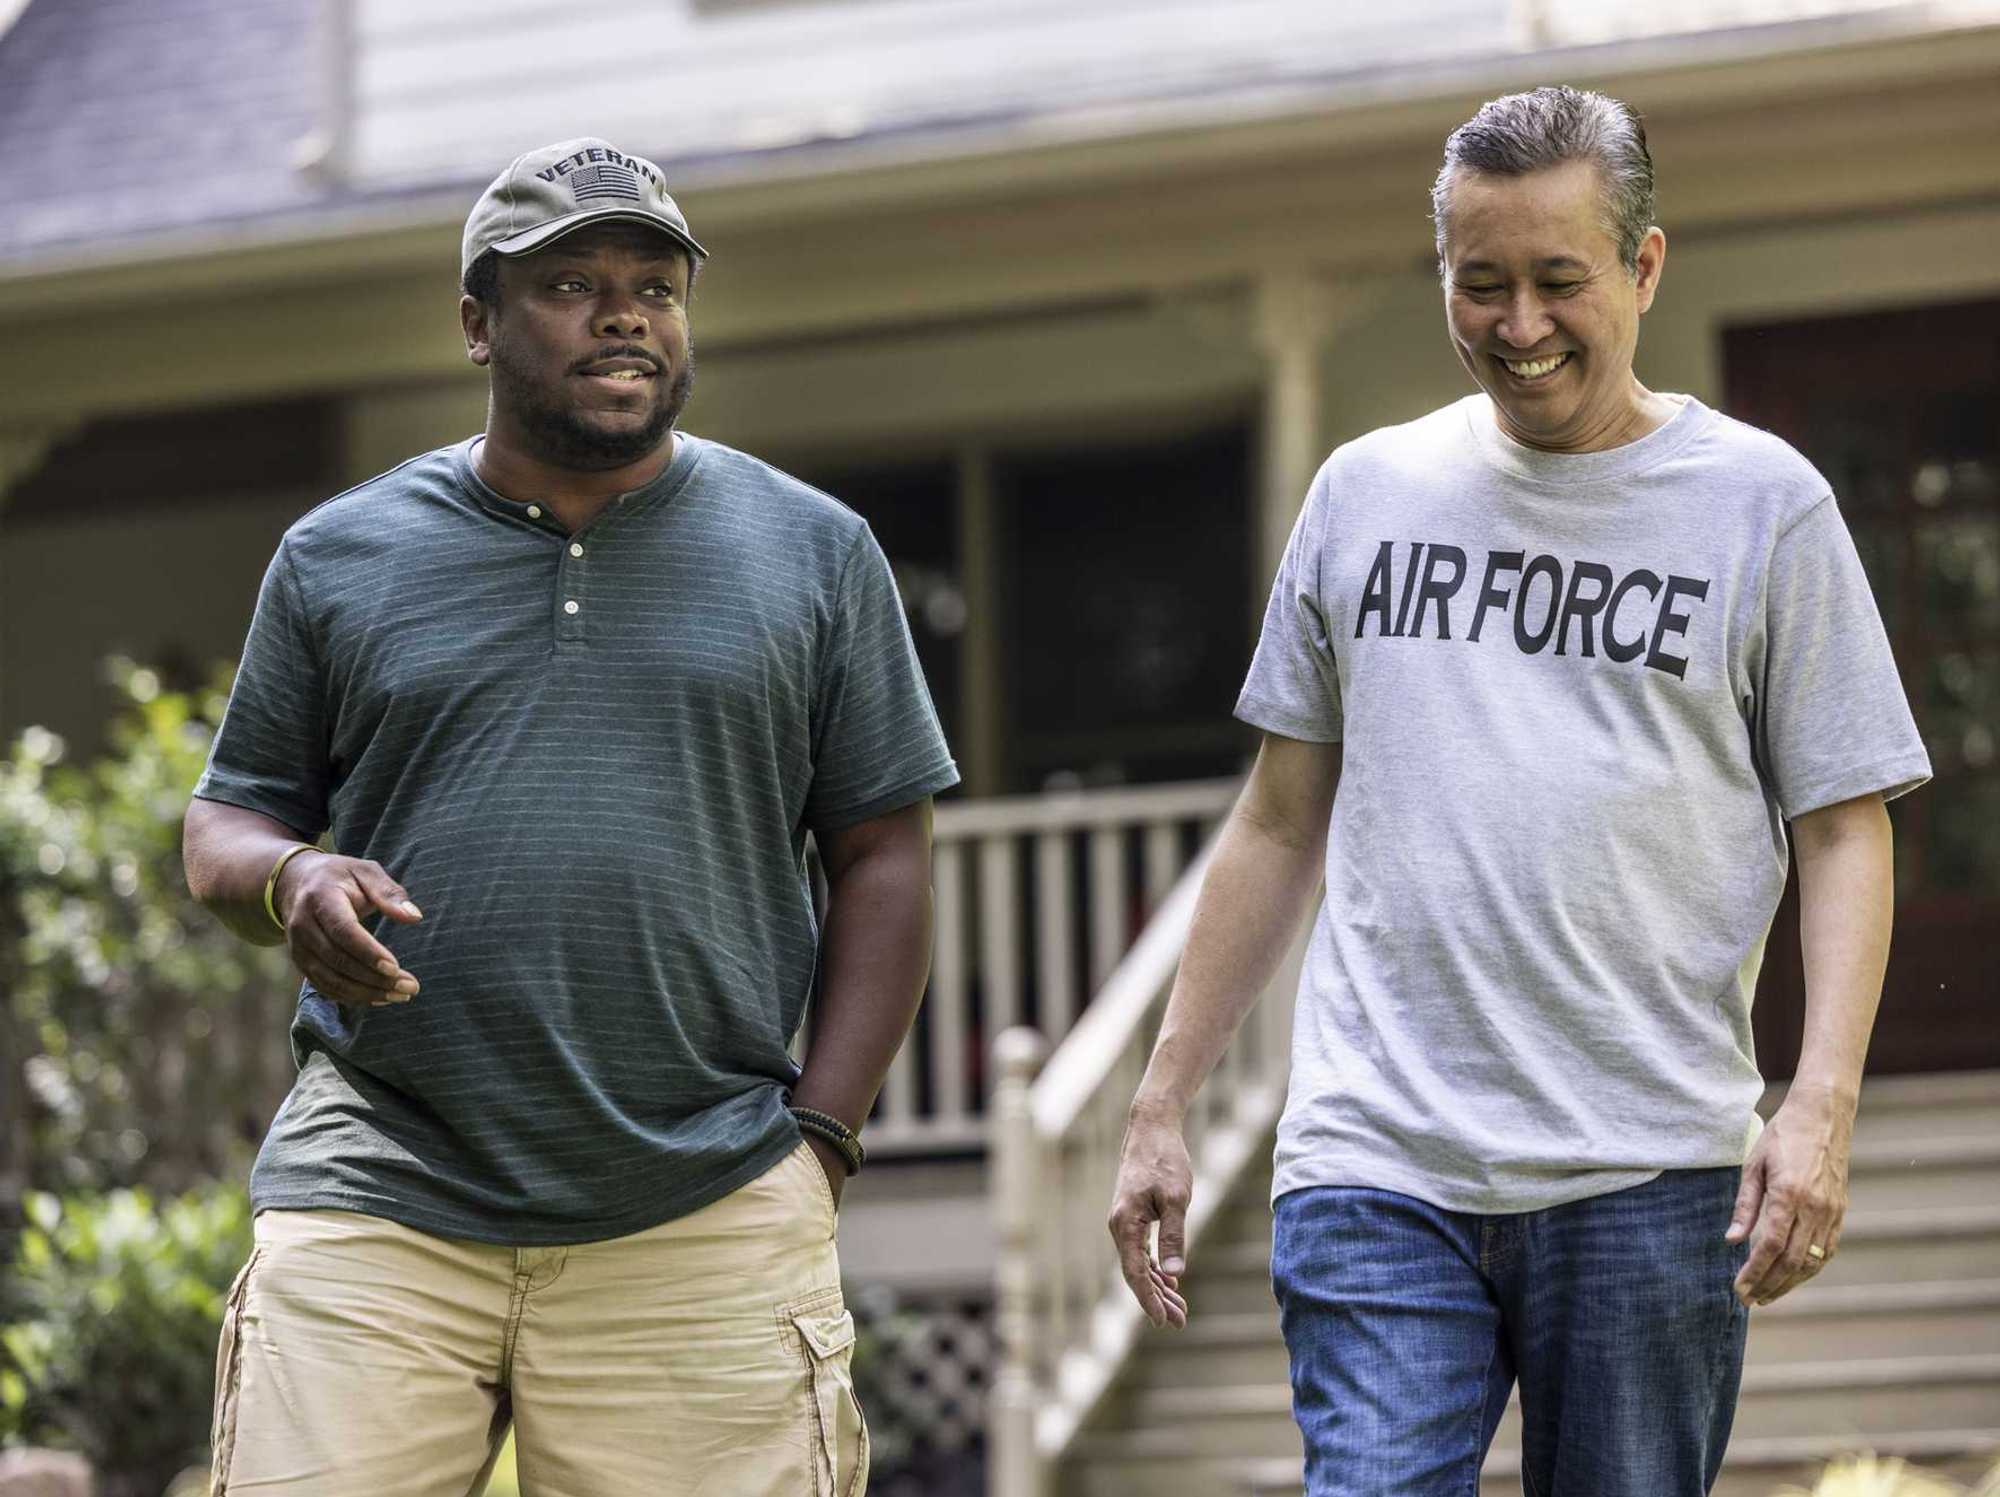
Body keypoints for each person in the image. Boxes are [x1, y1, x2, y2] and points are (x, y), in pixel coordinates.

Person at [1108, 86, 1930, 1495]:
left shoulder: (1762, 506)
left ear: (1645, 267)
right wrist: (1161, 1098)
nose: (1520, 325)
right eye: (1480, 284)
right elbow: (1278, 816)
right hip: (1378, 1153)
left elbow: (1844, 823)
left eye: (1559, 280)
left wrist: (1821, 1105)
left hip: (1650, 1167)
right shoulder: (1367, 495)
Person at [184, 137, 957, 1496]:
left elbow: (883, 855)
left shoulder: (814, 553)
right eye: (573, 284)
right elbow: (227, 820)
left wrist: (818, 1143)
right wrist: (293, 873)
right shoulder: (339, 557)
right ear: (477, 322)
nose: (624, 312)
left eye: (655, 285)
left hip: (702, 1198)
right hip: (384, 1179)